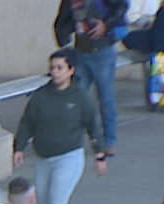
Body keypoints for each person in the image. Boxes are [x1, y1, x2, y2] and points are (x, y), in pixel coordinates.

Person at [13, 48, 107, 204]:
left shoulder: (80, 98)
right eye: (52, 68)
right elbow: (27, 122)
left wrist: (100, 154)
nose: (55, 72)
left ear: (71, 70)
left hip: (69, 156)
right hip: (43, 158)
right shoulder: (41, 96)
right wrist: (19, 147)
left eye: (60, 68)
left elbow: (94, 126)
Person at [54, 0, 128, 154]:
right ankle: (73, 140)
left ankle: (108, 141)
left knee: (105, 98)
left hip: (102, 52)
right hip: (81, 53)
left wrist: (106, 25)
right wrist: (64, 43)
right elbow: (61, 20)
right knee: (76, 97)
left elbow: (122, 5)